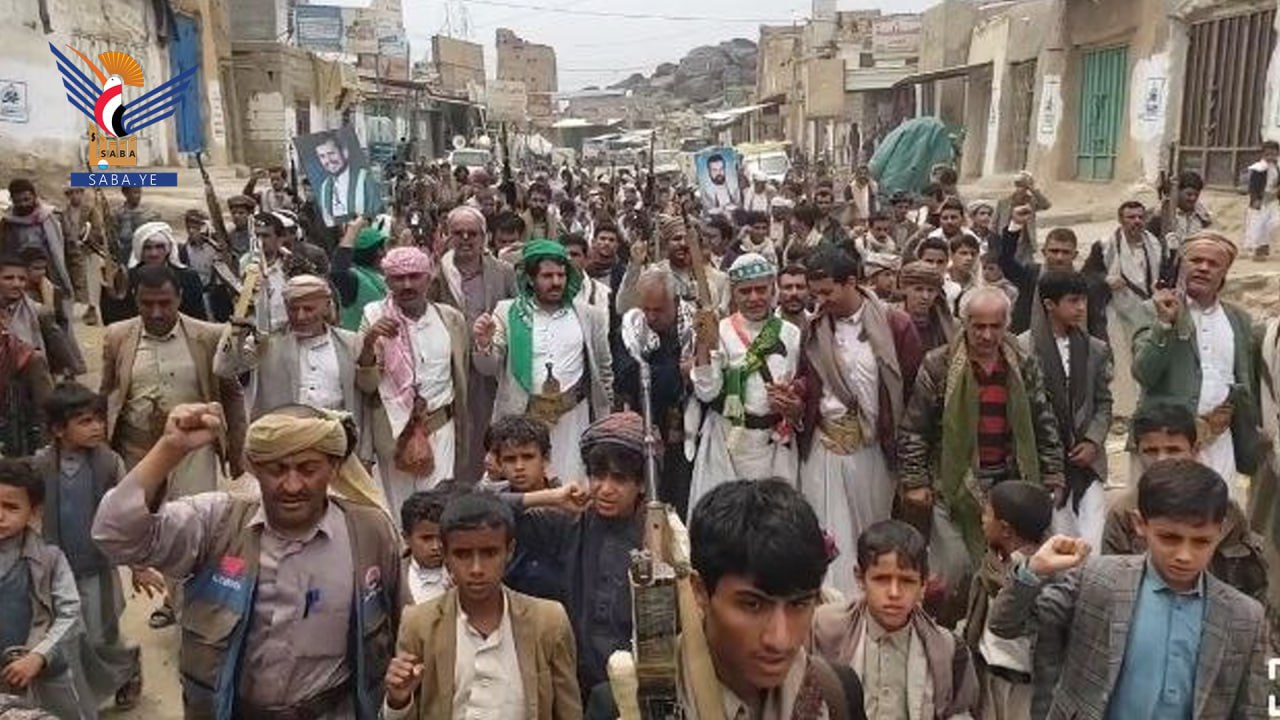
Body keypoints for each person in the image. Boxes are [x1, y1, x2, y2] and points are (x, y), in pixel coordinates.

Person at [92, 404, 402, 718]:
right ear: (254, 467)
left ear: (334, 468)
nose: (292, 485)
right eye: (277, 470)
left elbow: (404, 632)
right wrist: (170, 449)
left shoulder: (370, 533)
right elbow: (113, 535)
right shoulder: (217, 524)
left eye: (308, 470)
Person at [987, 460, 1269, 719]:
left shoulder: (1244, 617)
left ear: (1220, 532)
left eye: (1201, 542)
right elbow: (1005, 625)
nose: (1185, 555)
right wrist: (1032, 571)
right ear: (1139, 525)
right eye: (1169, 538)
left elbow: (1254, 708)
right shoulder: (1096, 582)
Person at [587, 479, 869, 720]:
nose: (780, 639)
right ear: (699, 591)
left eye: (799, 604)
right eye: (752, 605)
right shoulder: (624, 704)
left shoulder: (835, 694)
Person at [898, 288, 1064, 560]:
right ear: (964, 323)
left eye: (995, 326)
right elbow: (916, 428)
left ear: (1006, 324)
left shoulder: (1022, 363)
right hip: (952, 482)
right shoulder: (939, 365)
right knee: (956, 565)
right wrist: (915, 480)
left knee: (1016, 560)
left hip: (1011, 479)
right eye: (979, 327)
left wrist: (1052, 474)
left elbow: (1043, 421)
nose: (987, 335)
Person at [383, 492, 581, 719]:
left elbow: (569, 710)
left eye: (489, 553)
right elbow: (405, 703)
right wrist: (398, 700)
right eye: (463, 555)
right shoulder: (419, 624)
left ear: (509, 551)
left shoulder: (547, 622)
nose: (476, 569)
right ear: (446, 555)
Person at [799, 246, 921, 596]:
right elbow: (808, 381)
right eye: (815, 294)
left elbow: (911, 389)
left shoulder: (895, 324)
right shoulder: (815, 327)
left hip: (875, 449)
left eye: (828, 292)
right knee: (828, 533)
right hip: (825, 448)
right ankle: (834, 607)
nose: (821, 301)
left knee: (873, 535)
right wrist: (795, 394)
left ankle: (874, 604)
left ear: (851, 282)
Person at [501, 413, 648, 694]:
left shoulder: (657, 535)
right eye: (598, 476)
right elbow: (480, 508)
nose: (605, 489)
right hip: (572, 682)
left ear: (641, 484)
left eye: (619, 479)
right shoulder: (570, 523)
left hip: (633, 687)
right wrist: (551, 497)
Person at [33, 383, 142, 710]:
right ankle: (82, 698)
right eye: (85, 421)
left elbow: (128, 516)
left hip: (97, 567)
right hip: (56, 570)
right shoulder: (40, 465)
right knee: (69, 636)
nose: (97, 427)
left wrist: (137, 564)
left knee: (100, 634)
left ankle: (128, 668)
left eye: (98, 419)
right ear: (58, 429)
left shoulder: (109, 463)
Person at [474, 240, 614, 484]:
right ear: (530, 278)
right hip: (523, 419)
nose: (556, 282)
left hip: (574, 418)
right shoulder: (507, 313)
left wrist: (605, 415)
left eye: (561, 275)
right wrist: (484, 344)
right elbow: (488, 368)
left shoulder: (589, 315)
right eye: (547, 276)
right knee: (524, 488)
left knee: (572, 485)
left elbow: (604, 370)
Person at [1101, 403, 1267, 605]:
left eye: (1173, 450)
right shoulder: (1123, 513)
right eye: (1151, 451)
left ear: (1195, 450)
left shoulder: (1225, 510)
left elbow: (1251, 580)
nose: (1162, 459)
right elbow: (1112, 585)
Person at [813, 520, 980, 719]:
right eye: (881, 579)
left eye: (907, 581)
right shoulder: (824, 630)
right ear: (860, 578)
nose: (894, 593)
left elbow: (960, 712)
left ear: (923, 584)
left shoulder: (946, 650)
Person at [1134, 231, 1259, 489]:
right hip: (1166, 444)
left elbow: (1244, 381)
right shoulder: (1152, 310)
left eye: (1213, 264)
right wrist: (1164, 324)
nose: (1203, 268)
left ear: (1224, 273)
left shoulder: (1239, 320)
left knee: (1221, 509)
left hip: (1219, 441)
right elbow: (1144, 373)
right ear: (1181, 265)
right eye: (1196, 260)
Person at [358, 247, 469, 516]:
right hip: (394, 430)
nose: (407, 285)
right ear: (387, 281)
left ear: (428, 278)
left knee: (439, 509)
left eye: (414, 276)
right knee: (399, 512)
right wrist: (370, 342)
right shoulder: (374, 316)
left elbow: (462, 374)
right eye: (398, 278)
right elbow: (367, 385)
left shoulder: (449, 318)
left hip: (440, 426)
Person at [689, 253, 803, 509]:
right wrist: (704, 344)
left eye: (761, 290)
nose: (754, 298)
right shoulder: (721, 331)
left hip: (774, 446)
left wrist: (790, 403)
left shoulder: (791, 334)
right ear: (734, 293)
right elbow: (707, 393)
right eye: (745, 291)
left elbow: (800, 390)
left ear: (772, 289)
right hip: (726, 443)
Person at [214, 274, 371, 447]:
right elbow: (223, 369)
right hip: (281, 443)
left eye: (308, 309)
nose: (300, 316)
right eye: (293, 309)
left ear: (327, 307)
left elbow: (366, 398)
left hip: (337, 443)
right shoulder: (268, 340)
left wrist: (364, 451)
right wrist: (236, 328)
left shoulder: (350, 343)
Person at [1018, 271, 1112, 550]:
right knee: (1055, 542)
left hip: (1087, 464)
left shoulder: (1095, 348)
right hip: (1045, 463)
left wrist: (1093, 441)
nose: (1081, 308)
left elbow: (1104, 402)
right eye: (1073, 301)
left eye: (1083, 300)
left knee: (1092, 542)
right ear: (1049, 304)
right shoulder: (1022, 347)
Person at [0, 458, 96, 720]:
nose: (0, 516)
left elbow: (71, 613)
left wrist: (39, 655)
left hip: (43, 671)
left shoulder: (50, 559)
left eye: (11, 507)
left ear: (34, 512)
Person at [431, 206, 516, 485]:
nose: (465, 239)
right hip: (450, 369)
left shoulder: (503, 272)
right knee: (456, 434)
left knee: (488, 431)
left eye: (472, 233)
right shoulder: (437, 274)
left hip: (490, 369)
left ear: (484, 237)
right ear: (448, 236)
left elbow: (515, 315)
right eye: (458, 233)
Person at [962, 481, 1053, 720]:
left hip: (1026, 688)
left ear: (1005, 529)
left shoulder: (1042, 576)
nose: (982, 519)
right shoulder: (992, 563)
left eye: (987, 513)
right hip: (988, 677)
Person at [614, 268, 696, 516]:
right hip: (647, 426)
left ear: (675, 302)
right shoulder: (631, 328)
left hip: (689, 432)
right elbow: (628, 378)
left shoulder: (695, 328)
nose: (650, 317)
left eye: (658, 310)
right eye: (646, 309)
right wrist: (679, 372)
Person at [1, 180, 82, 359]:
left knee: (57, 322)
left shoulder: (52, 218)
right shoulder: (8, 223)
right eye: (18, 201)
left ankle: (66, 364)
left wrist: (77, 284)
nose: (23, 204)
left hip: (52, 279)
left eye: (27, 199)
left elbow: (71, 251)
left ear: (34, 196)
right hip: (21, 282)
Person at [997, 207, 1107, 339]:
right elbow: (1005, 261)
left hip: (1073, 346)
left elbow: (1095, 322)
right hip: (1029, 344)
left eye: (1065, 252)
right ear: (1044, 252)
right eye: (1054, 251)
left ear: (1075, 255)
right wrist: (1016, 224)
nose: (1059, 257)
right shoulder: (1030, 275)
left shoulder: (1085, 284)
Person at [617, 215, 730, 317]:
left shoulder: (715, 280)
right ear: (666, 244)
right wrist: (635, 266)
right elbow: (623, 308)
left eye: (688, 239)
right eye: (677, 239)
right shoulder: (653, 274)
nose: (683, 244)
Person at [0, 254, 80, 379]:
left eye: (22, 279)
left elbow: (59, 347)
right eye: (8, 278)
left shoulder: (38, 313)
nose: (16, 284)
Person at [330, 218, 388, 332]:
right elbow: (338, 272)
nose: (385, 253)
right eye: (382, 248)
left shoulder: (378, 276)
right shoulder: (355, 279)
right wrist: (352, 230)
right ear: (376, 252)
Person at [399, 487, 452, 606]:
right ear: (406, 538)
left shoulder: (461, 572)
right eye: (426, 538)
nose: (436, 546)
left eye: (441, 537)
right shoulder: (396, 578)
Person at [313, 130, 379, 226]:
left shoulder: (365, 180)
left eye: (331, 153)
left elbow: (377, 217)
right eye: (322, 156)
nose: (328, 160)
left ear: (345, 152)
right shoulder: (325, 186)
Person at [896, 260, 956, 355]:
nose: (925, 296)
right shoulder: (891, 319)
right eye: (918, 289)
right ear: (904, 289)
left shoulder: (948, 325)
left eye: (931, 290)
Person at [1148, 170, 1212, 250]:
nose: (1193, 198)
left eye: (1196, 195)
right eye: (1189, 194)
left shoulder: (1202, 218)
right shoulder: (1161, 214)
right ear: (1177, 192)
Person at [1245, 139, 1279, 261]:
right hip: (1260, 201)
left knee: (1273, 223)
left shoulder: (1276, 168)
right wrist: (1255, 199)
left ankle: (1264, 245)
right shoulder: (1258, 168)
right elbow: (1253, 186)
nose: (1270, 157)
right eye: (1268, 154)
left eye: (1273, 154)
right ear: (1263, 154)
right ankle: (1257, 250)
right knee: (1257, 225)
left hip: (1272, 201)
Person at [561, 233, 612, 312]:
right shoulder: (546, 290)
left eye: (574, 255)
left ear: (586, 260)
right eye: (564, 254)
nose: (568, 259)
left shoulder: (602, 292)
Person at [111, 187, 159, 266]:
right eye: (135, 193)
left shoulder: (148, 214)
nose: (138, 196)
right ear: (125, 194)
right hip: (123, 255)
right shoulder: (117, 213)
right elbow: (112, 237)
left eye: (140, 193)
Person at [944, 233, 982, 314]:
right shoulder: (941, 280)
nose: (969, 258)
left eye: (973, 254)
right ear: (951, 255)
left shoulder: (979, 285)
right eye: (963, 253)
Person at [775, 263, 812, 338]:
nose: (794, 293)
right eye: (788, 287)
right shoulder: (767, 329)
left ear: (809, 290)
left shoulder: (817, 327)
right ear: (778, 291)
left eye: (800, 287)